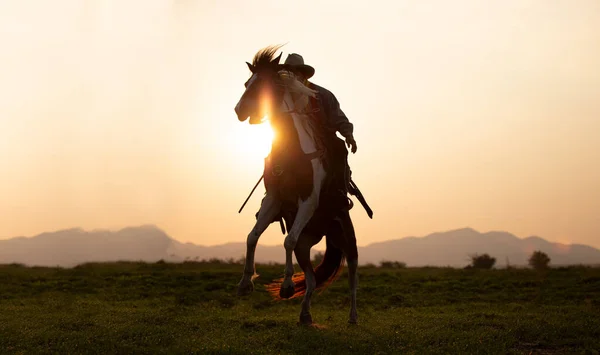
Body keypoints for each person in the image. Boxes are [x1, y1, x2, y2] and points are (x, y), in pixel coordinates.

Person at [281, 53, 357, 204]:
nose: (293, 76)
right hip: (288, 139)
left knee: (339, 149)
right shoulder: (282, 96)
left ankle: (340, 191)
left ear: (303, 75)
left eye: (296, 72)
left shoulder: (323, 95)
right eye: (289, 72)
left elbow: (338, 117)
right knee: (275, 159)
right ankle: (272, 196)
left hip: (323, 139)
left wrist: (348, 135)